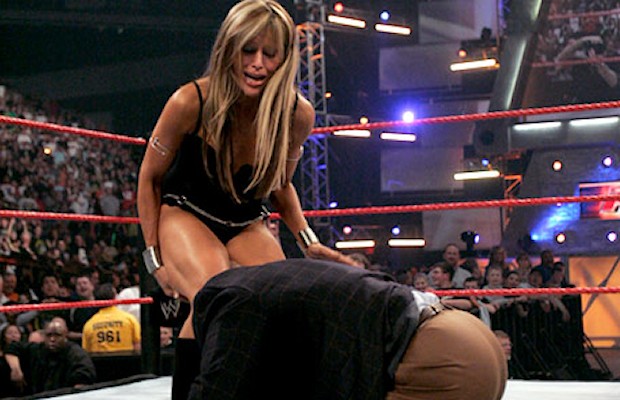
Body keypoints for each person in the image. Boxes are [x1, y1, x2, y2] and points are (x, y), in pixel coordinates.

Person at [136, 1, 354, 398]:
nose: (257, 64)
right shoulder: (190, 101)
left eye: (269, 54)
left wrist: (308, 241)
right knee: (215, 295)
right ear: (229, 49)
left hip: (245, 220)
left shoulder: (296, 113)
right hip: (187, 212)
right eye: (248, 50)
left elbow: (281, 185)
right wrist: (154, 261)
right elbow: (149, 178)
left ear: (284, 59)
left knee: (282, 301)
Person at [190, 258, 507, 399]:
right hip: (463, 337)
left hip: (437, 358)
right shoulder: (271, 285)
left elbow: (217, 390)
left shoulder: (235, 306)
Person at [4, 317, 96, 396]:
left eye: (57, 335)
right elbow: (12, 348)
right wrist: (16, 370)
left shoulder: (75, 353)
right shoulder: (38, 349)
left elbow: (83, 380)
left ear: (65, 336)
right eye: (49, 335)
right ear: (44, 336)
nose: (52, 339)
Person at [82, 283, 141, 353]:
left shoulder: (89, 325)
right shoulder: (130, 320)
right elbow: (137, 346)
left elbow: (86, 351)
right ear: (115, 297)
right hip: (127, 359)